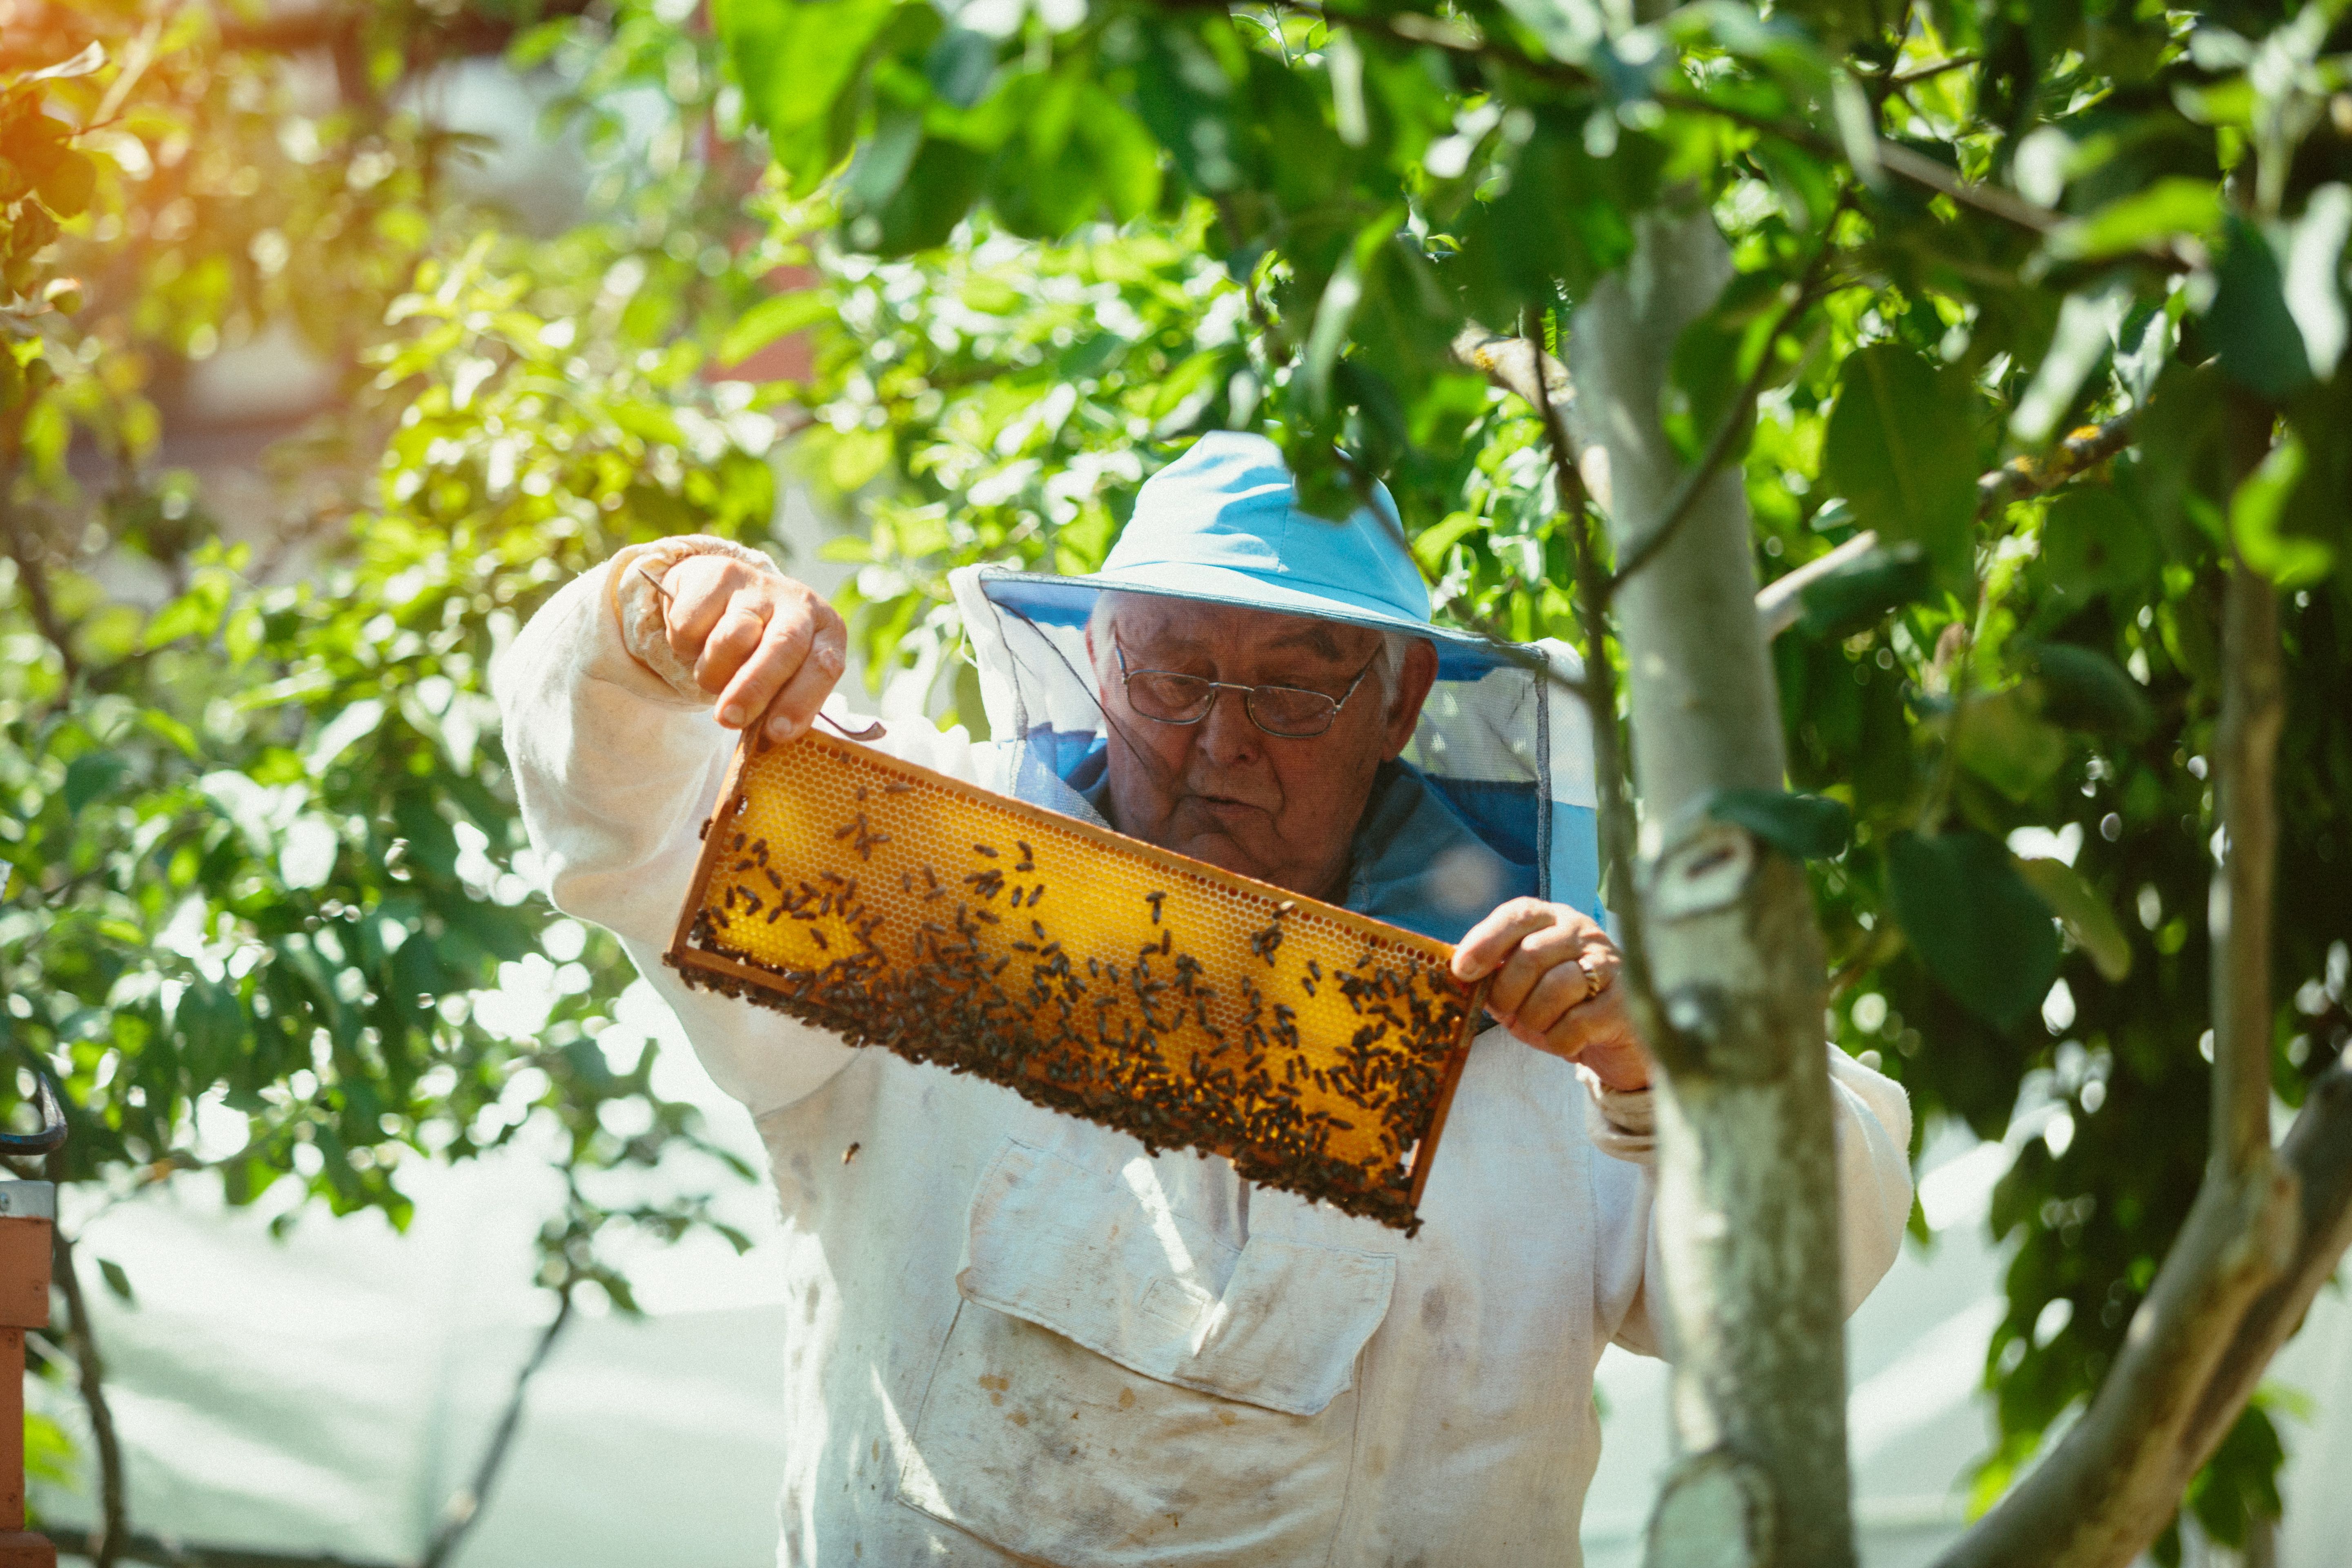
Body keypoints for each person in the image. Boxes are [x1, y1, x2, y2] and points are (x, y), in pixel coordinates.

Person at [497, 432, 1913, 1566]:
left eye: (1294, 696)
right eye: (1172, 675)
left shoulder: (1551, 996)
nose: (1221, 744)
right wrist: (656, 613)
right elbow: (621, 824)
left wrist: (1661, 1068)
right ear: (1099, 657)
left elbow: (1809, 1271)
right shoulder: (921, 878)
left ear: (1402, 699)